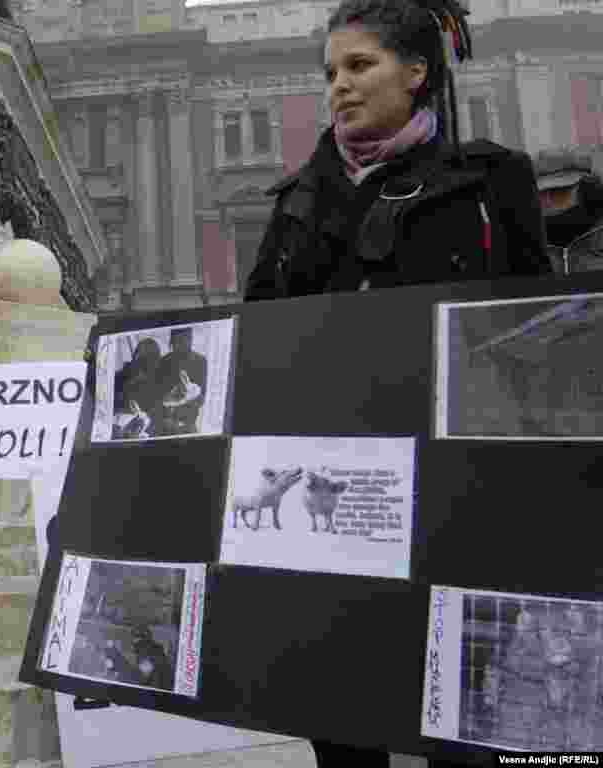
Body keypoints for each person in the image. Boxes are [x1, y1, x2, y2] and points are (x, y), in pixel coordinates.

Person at [244, 0, 551, 764]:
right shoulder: (297, 202)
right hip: (336, 488)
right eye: (329, 74)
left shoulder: (492, 180)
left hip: (462, 482)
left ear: (416, 73)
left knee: (465, 698)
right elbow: (259, 335)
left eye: (359, 66)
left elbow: (536, 329)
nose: (339, 87)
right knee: (341, 699)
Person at [533, 147, 603, 274]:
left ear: (586, 187)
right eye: (541, 195)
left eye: (559, 193)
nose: (548, 202)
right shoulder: (526, 243)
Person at [152, 328, 207, 436]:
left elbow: (202, 397)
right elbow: (156, 396)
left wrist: (189, 395)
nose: (183, 344)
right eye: (179, 340)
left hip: (187, 425)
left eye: (186, 339)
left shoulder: (200, 361)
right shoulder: (163, 362)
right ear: (172, 341)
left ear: (191, 339)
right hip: (164, 424)